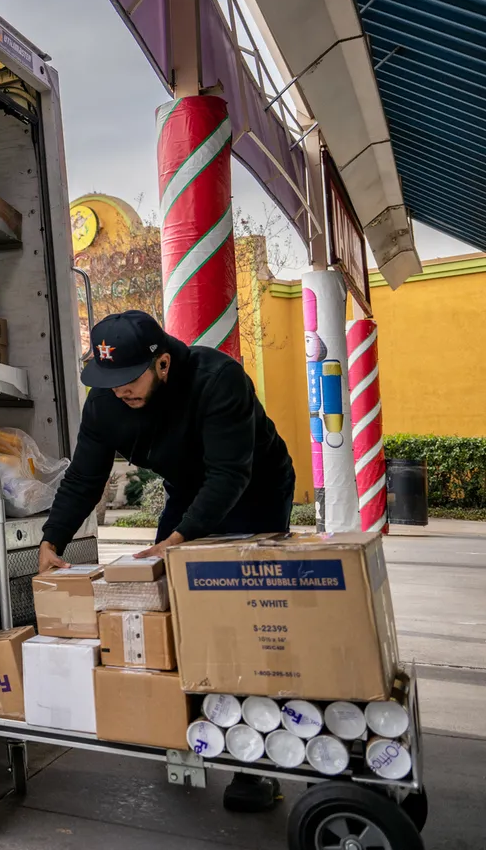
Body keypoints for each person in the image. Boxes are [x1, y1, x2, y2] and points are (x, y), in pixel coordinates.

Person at [37, 310, 295, 812]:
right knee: (161, 597)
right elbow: (84, 479)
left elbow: (228, 475)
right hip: (189, 490)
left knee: (244, 617)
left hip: (253, 486)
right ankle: (183, 724)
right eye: (107, 381)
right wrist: (53, 541)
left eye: (128, 380)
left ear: (162, 363)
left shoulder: (217, 380)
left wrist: (178, 540)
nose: (118, 392)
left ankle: (255, 761)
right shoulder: (107, 404)